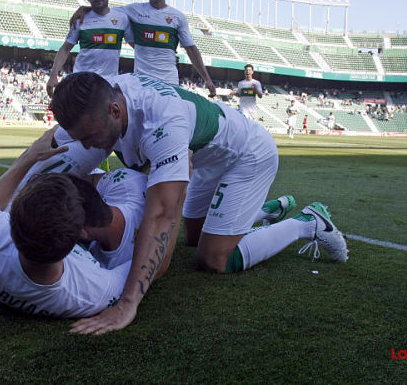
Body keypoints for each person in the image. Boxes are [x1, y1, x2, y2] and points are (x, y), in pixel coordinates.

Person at [51, 72, 348, 334]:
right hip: (206, 159)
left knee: (214, 259)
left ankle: (307, 222)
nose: (88, 146)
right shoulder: (102, 94)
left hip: (248, 156)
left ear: (116, 111)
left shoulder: (162, 123)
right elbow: (52, 146)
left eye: (90, 137)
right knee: (193, 238)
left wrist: (128, 303)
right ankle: (260, 211)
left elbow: (162, 216)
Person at [0, 126, 148, 318]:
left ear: (10, 221)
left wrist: (30, 156)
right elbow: (149, 262)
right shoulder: (93, 291)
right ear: (79, 238)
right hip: (120, 199)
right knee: (102, 132)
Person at [71, 0, 216, 96]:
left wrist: (207, 79)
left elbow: (191, 49)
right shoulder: (134, 10)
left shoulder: (178, 17)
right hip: (142, 83)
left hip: (169, 82)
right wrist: (85, 8)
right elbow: (104, 10)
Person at [46, 0, 134, 95]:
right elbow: (65, 48)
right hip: (82, 82)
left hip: (108, 84)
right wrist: (53, 75)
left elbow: (137, 47)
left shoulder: (122, 18)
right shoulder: (80, 19)